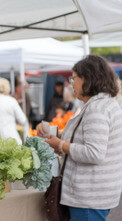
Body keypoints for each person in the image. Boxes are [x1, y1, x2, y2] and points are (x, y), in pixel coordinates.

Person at [36, 55, 122, 221]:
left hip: (89, 196)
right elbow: (85, 140)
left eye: (73, 78)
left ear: (88, 79)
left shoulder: (96, 109)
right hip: (96, 193)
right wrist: (53, 135)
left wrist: (61, 145)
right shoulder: (103, 104)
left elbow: (94, 153)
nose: (71, 83)